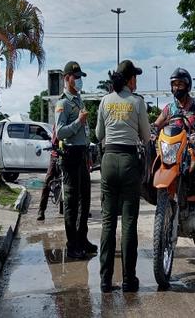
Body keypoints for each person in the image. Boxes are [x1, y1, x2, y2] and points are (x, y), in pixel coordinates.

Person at [96, 60, 150, 293]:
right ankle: (129, 280)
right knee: (129, 223)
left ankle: (105, 280)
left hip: (108, 160)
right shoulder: (137, 102)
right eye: (135, 77)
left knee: (108, 222)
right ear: (130, 80)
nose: (136, 80)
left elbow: (99, 134)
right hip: (129, 162)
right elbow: (146, 136)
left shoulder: (105, 101)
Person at [153, 67, 195, 227]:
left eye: (180, 84)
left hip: (191, 148)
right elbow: (158, 123)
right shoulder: (169, 108)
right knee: (151, 166)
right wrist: (152, 130)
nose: (176, 88)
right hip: (172, 149)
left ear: (187, 86)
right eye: (174, 84)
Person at [55, 61, 97, 259]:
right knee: (71, 202)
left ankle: (82, 238)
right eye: (76, 77)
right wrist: (78, 122)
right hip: (70, 155)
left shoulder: (78, 100)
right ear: (67, 78)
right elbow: (61, 132)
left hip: (82, 153)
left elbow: (84, 131)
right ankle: (72, 245)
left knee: (85, 200)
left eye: (80, 77)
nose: (79, 81)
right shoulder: (62, 103)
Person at [38, 124, 59, 221]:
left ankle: (82, 210)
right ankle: (41, 210)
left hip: (69, 156)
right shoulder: (57, 123)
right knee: (47, 181)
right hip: (55, 155)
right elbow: (53, 139)